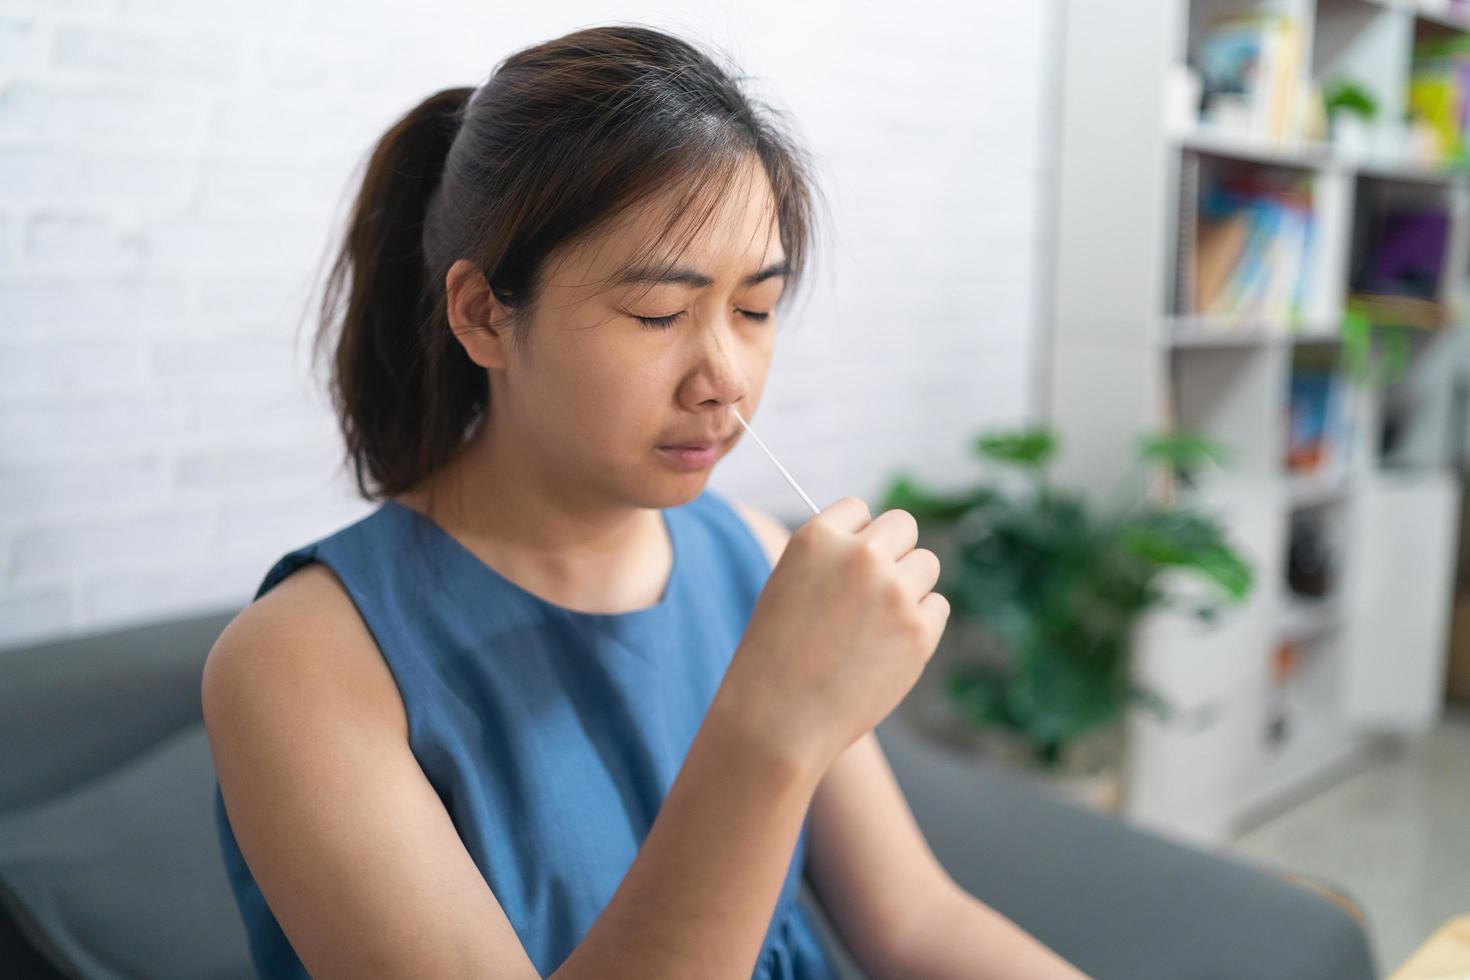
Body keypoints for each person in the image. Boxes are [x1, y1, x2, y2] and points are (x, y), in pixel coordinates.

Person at [201, 23, 1087, 980]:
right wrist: (770, 731)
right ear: (483, 314)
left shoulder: (750, 553)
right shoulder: (301, 662)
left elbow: (915, 921)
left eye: (755, 309)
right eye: (660, 314)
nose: (725, 379)